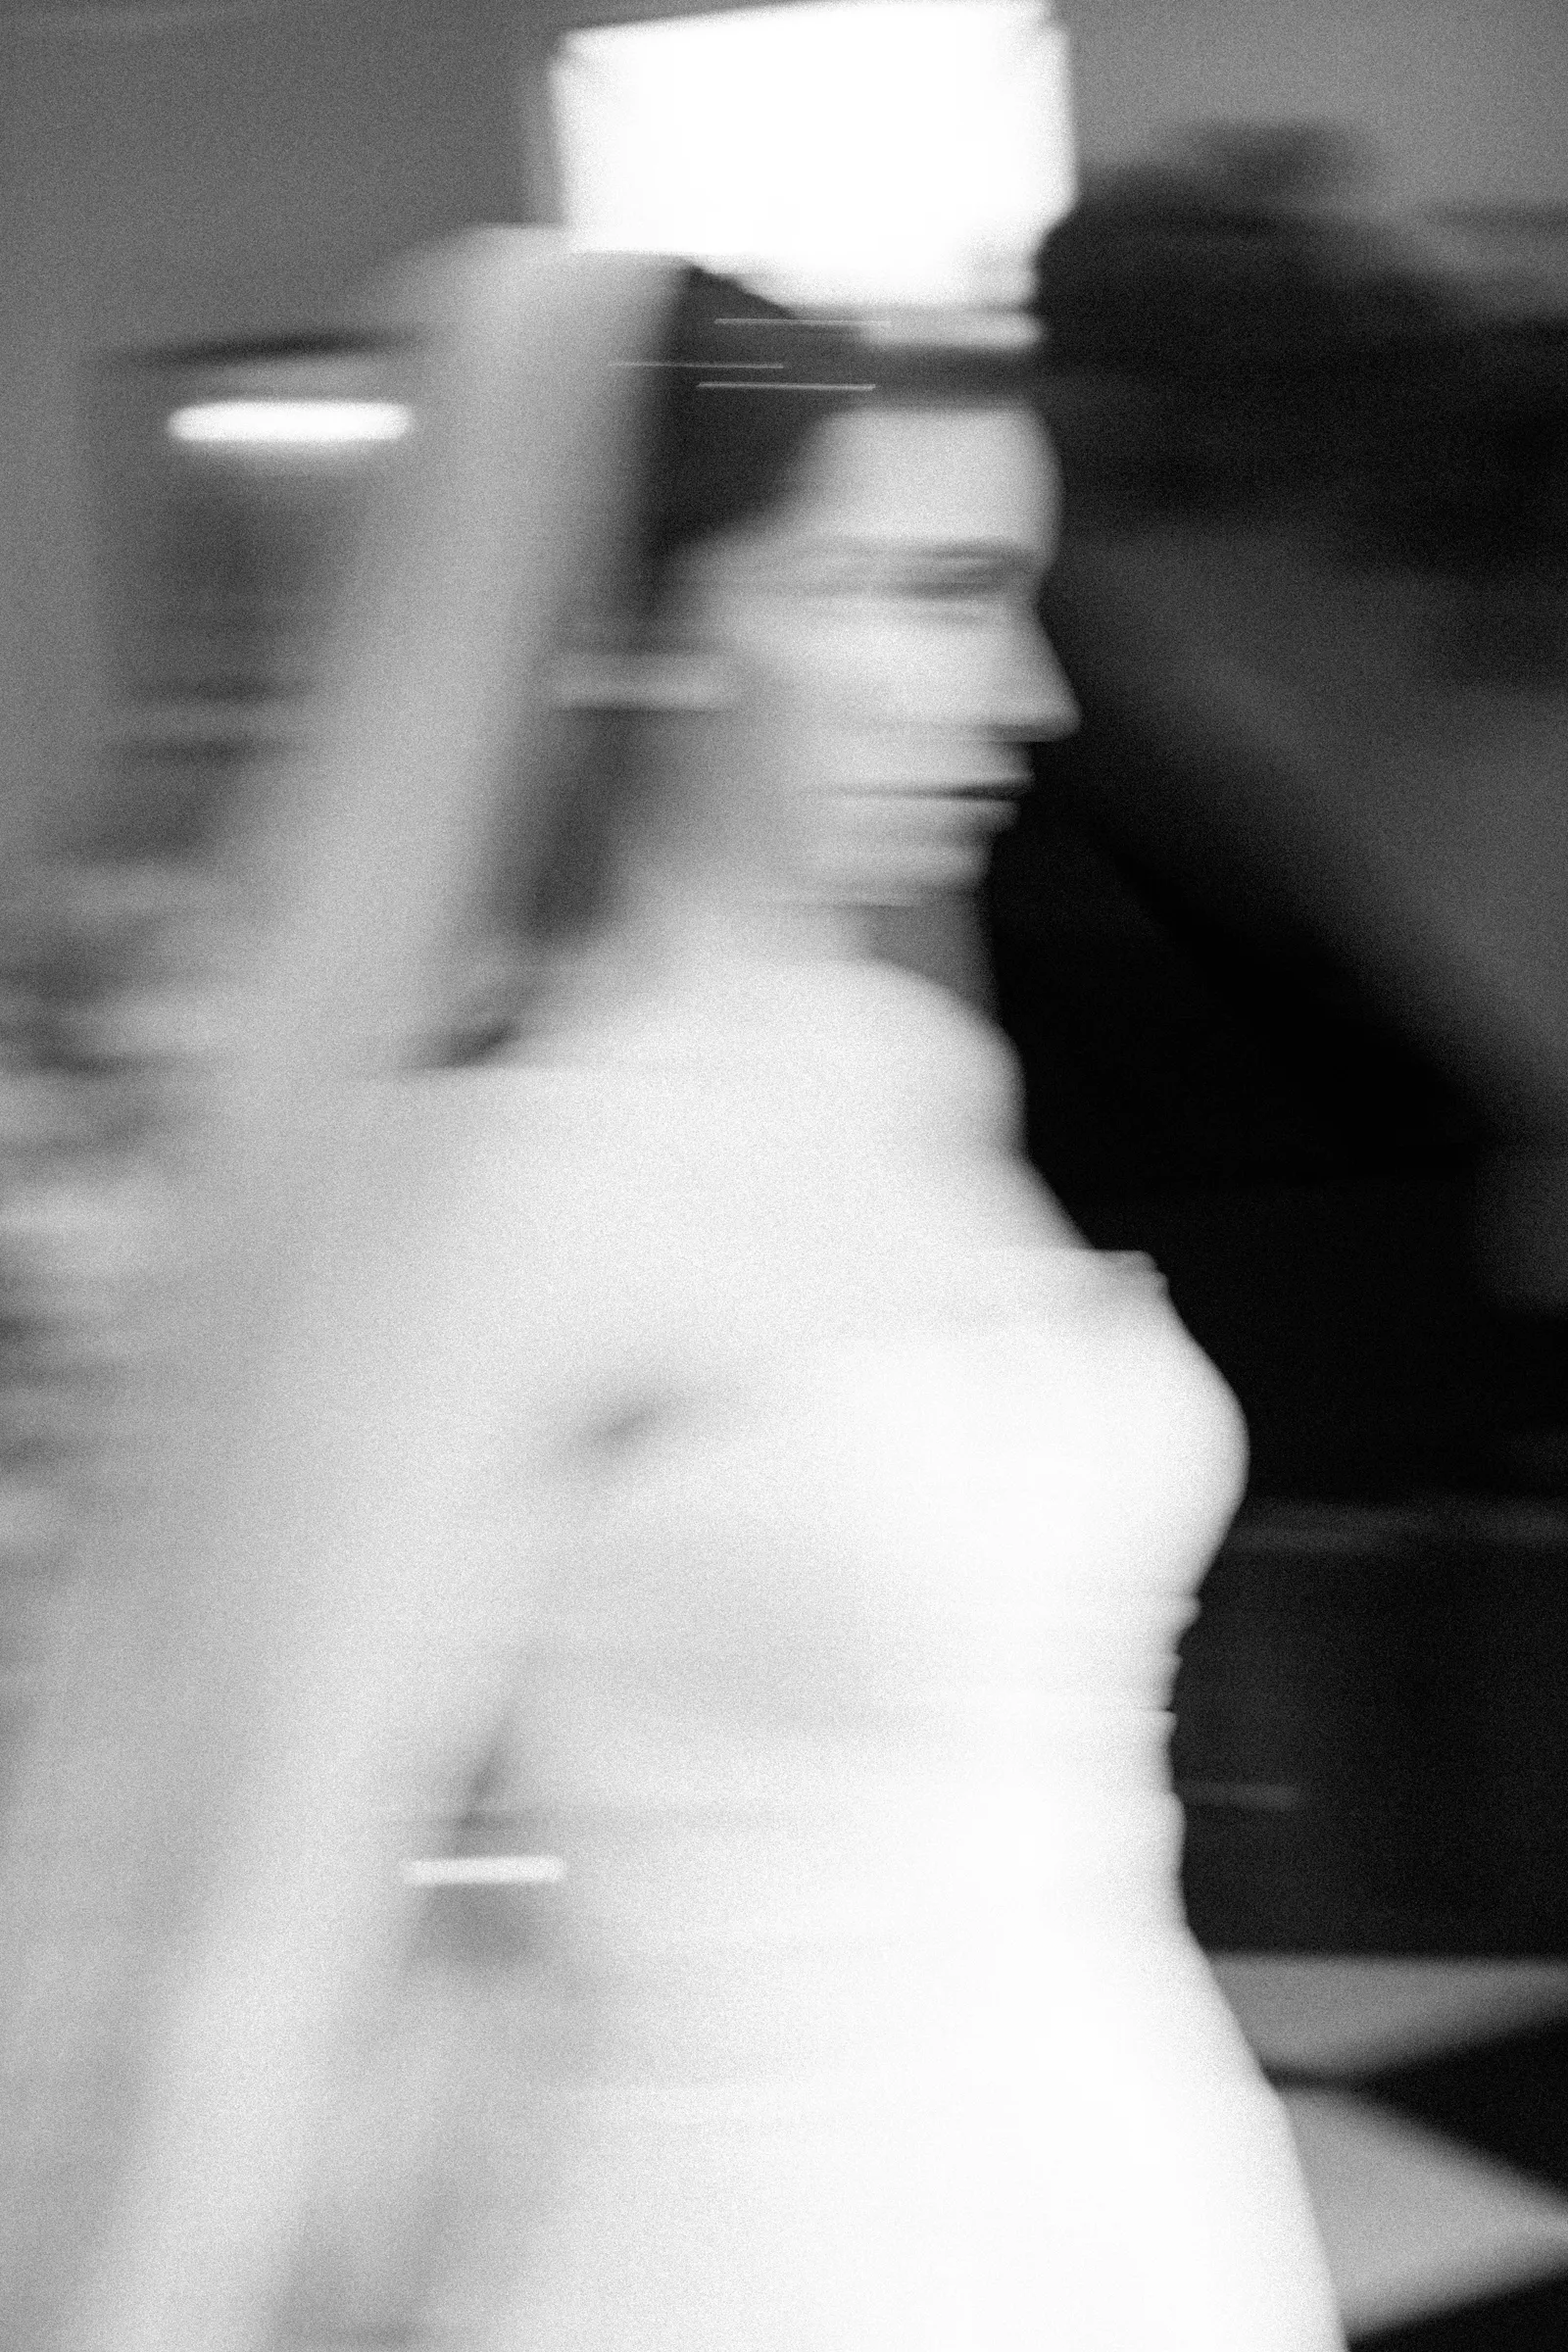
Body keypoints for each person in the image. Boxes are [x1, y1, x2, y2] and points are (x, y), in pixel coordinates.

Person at [3, 230, 1345, 2352]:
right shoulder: (491, 1192)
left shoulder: (912, 1064)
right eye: (923, 596)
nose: (1031, 697)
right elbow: (252, 1954)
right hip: (767, 2257)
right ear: (640, 630)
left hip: (1132, 2183)